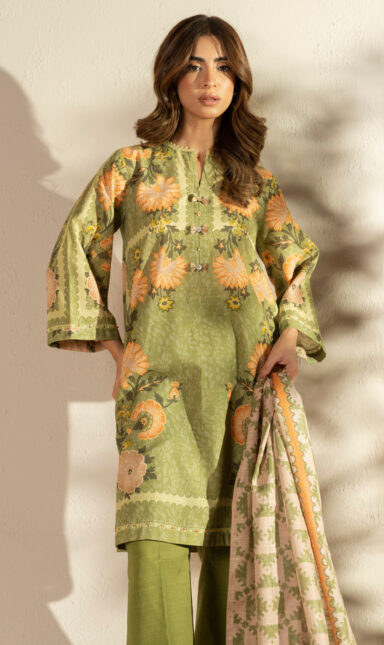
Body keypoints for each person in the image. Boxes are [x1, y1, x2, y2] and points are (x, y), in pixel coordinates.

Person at [46, 14, 326, 645]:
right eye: (195, 65)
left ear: (239, 81)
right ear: (171, 76)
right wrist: (116, 349)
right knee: (156, 553)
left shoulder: (255, 183)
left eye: (223, 67)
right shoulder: (131, 168)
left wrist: (290, 336)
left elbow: (295, 264)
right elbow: (74, 247)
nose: (209, 80)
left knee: (235, 558)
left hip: (242, 389)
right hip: (158, 391)